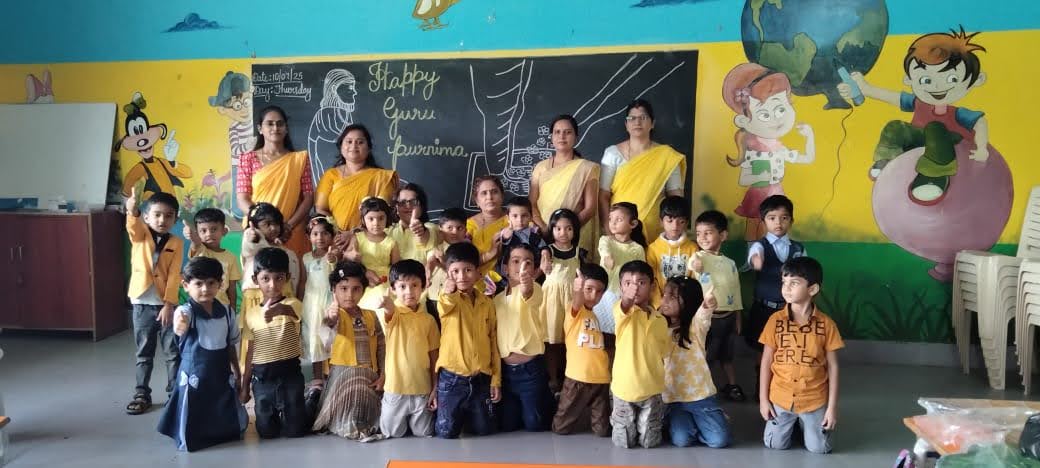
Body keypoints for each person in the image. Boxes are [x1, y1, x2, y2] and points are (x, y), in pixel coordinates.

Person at [837, 28, 989, 205]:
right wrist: (864, 89)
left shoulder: (958, 113)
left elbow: (980, 122)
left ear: (976, 80)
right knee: (895, 126)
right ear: (909, 80)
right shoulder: (918, 103)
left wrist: (982, 147)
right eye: (926, 80)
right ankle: (888, 161)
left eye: (952, 79)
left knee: (935, 128)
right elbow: (892, 97)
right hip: (921, 144)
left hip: (951, 147)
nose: (936, 86)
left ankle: (933, 176)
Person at [157, 257, 246, 451]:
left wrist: (236, 371)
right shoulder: (185, 311)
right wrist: (180, 324)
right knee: (194, 410)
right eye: (198, 284)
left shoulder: (227, 312)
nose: (205, 289)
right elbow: (180, 325)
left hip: (220, 373)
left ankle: (222, 433)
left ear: (220, 284)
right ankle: (191, 438)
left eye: (211, 283)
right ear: (186, 286)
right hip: (195, 374)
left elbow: (230, 345)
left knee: (221, 405)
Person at [722, 63, 815, 242]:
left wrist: (809, 137)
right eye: (764, 115)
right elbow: (744, 179)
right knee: (753, 227)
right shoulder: (752, 148)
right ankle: (752, 253)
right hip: (757, 195)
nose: (776, 119)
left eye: (781, 109)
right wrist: (762, 176)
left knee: (773, 229)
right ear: (744, 121)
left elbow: (807, 158)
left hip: (776, 195)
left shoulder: (779, 148)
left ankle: (771, 252)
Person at [759, 256, 843, 454]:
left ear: (812, 289)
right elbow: (766, 361)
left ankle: (805, 424)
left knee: (819, 449)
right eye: (784, 282)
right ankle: (794, 425)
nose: (786, 288)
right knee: (775, 444)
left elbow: (833, 367)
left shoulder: (827, 325)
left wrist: (831, 408)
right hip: (781, 397)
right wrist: (763, 400)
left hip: (813, 399)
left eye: (794, 283)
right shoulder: (775, 321)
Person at [124, 188, 184, 416]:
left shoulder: (176, 242)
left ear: (175, 219)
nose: (162, 220)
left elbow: (175, 274)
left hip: (166, 306)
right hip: (142, 304)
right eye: (157, 215)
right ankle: (141, 394)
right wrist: (132, 210)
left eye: (168, 216)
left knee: (172, 352)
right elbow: (133, 225)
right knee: (144, 353)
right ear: (147, 216)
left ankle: (174, 394)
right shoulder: (140, 235)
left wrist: (169, 304)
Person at [433, 243, 501, 438]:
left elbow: (493, 340)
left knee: (485, 430)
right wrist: (449, 291)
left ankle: (468, 414)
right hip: (452, 379)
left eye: (468, 270)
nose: (461, 276)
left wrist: (496, 379)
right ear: (448, 273)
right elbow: (445, 305)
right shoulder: (446, 298)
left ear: (478, 273)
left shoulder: (487, 303)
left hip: (481, 378)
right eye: (455, 271)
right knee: (446, 432)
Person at [312, 261, 386, 442]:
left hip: (370, 376)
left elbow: (381, 347)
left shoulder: (371, 315)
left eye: (356, 289)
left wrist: (384, 375)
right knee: (348, 417)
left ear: (363, 290)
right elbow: (327, 339)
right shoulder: (333, 315)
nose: (349, 295)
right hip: (343, 376)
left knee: (378, 419)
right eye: (343, 289)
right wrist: (331, 320)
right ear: (334, 290)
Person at [239, 248, 309, 439]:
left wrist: (279, 310)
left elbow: (293, 312)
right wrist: (245, 386)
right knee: (266, 432)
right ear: (255, 280)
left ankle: (307, 404)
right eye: (266, 278)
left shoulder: (293, 304)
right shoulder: (251, 314)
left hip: (290, 375)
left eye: (279, 278)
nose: (272, 284)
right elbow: (250, 351)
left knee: (296, 431)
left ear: (287, 278)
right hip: (263, 379)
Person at [659, 276, 731, 449]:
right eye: (664, 294)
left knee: (719, 440)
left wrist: (708, 304)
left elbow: (703, 314)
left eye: (673, 296)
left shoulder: (696, 328)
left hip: (700, 397)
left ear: (688, 301)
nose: (665, 300)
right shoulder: (658, 326)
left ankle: (712, 416)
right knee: (681, 440)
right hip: (673, 399)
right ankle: (697, 422)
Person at [599, 99, 685, 241]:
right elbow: (603, 196)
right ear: (626, 125)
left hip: (656, 233)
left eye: (643, 117)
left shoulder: (667, 156)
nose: (637, 122)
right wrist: (609, 231)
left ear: (652, 123)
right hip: (619, 231)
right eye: (632, 118)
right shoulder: (612, 154)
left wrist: (673, 233)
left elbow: (675, 197)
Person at [235, 105, 315, 259]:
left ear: (286, 128)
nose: (275, 128)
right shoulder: (247, 159)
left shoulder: (299, 159)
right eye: (270, 124)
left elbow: (308, 197)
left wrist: (287, 226)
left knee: (292, 270)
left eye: (280, 124)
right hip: (257, 231)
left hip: (291, 231)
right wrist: (262, 224)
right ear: (260, 129)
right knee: (260, 271)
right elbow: (242, 198)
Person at [746, 195, 806, 391]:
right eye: (772, 218)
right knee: (763, 348)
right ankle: (761, 386)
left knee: (789, 348)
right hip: (764, 308)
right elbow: (755, 259)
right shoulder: (759, 246)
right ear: (763, 222)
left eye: (784, 218)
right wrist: (756, 261)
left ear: (791, 220)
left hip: (790, 310)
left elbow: (806, 275)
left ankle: (784, 387)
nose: (778, 223)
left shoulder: (798, 248)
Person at [610, 260, 671, 449]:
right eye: (628, 283)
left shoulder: (660, 320)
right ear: (621, 287)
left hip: (652, 388)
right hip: (624, 388)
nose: (634, 288)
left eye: (641, 282)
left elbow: (663, 354)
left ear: (652, 287)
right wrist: (627, 298)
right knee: (624, 441)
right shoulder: (621, 312)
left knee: (650, 441)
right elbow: (624, 305)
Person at [377, 260, 441, 438]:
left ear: (423, 287)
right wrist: (386, 303)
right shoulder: (395, 314)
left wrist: (435, 387)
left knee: (424, 432)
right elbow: (390, 310)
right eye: (402, 286)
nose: (409, 291)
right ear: (393, 289)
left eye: (414, 285)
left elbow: (434, 356)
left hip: (422, 390)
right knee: (392, 433)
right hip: (396, 389)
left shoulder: (429, 320)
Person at [689, 210, 745, 401]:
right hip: (707, 319)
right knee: (707, 355)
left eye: (708, 233)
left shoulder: (730, 263)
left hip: (728, 318)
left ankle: (732, 385)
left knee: (727, 355)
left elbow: (736, 291)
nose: (702, 237)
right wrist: (696, 265)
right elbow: (694, 265)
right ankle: (704, 389)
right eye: (698, 233)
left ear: (723, 235)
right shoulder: (698, 257)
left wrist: (738, 317)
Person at [495, 243, 552, 432]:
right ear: (505, 268)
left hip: (530, 371)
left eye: (528, 263)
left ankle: (547, 400)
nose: (522, 267)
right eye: (516, 261)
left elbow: (526, 292)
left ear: (535, 270)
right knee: (507, 425)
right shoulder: (496, 300)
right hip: (506, 373)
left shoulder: (535, 288)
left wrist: (527, 284)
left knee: (534, 424)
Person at [239, 203, 302, 369]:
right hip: (255, 299)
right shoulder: (254, 243)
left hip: (283, 298)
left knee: (279, 339)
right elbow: (250, 246)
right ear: (254, 226)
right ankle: (249, 374)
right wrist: (252, 236)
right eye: (267, 224)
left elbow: (293, 277)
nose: (273, 228)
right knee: (254, 340)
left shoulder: (286, 251)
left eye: (276, 223)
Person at [551, 264, 611, 437]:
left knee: (602, 431)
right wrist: (578, 290)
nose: (593, 295)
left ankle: (583, 412)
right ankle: (562, 399)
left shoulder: (594, 316)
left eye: (599, 291)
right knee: (561, 428)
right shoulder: (575, 310)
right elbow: (577, 302)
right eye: (588, 289)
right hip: (577, 379)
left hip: (601, 379)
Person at [529, 114, 601, 255]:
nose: (562, 136)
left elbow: (590, 208)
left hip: (573, 236)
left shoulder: (587, 168)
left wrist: (566, 231)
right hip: (543, 235)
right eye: (557, 132)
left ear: (576, 137)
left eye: (568, 132)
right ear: (551, 137)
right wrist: (545, 229)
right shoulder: (540, 167)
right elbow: (532, 203)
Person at [315, 124, 398, 233]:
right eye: (349, 141)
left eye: (360, 142)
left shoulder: (382, 177)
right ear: (341, 147)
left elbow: (383, 214)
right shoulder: (330, 175)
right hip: (335, 238)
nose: (354, 145)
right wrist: (337, 233)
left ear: (368, 148)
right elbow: (321, 209)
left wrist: (353, 234)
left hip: (370, 238)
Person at [540, 208, 586, 394]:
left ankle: (569, 377)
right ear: (551, 229)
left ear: (575, 230)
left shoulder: (579, 252)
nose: (563, 233)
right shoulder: (548, 251)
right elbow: (544, 262)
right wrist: (544, 260)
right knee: (551, 342)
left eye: (568, 228)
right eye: (558, 228)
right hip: (551, 302)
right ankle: (552, 378)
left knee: (570, 341)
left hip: (571, 301)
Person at [299, 216, 339, 383]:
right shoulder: (305, 258)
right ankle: (317, 381)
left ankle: (333, 379)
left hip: (328, 303)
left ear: (332, 236)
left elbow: (336, 273)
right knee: (314, 340)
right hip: (310, 305)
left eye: (324, 233)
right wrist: (299, 304)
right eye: (315, 234)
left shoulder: (335, 255)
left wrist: (332, 259)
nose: (320, 238)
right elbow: (303, 282)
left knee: (330, 338)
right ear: (309, 237)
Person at [344, 197, 401, 310]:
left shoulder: (391, 242)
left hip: (384, 282)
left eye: (381, 218)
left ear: (387, 218)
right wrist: (350, 256)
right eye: (371, 219)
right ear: (363, 219)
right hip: (362, 280)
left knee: (383, 301)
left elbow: (396, 269)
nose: (376, 223)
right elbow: (346, 259)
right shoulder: (357, 238)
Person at [183, 208, 241, 311]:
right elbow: (196, 243)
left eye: (214, 229)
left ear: (224, 231)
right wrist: (192, 236)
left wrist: (232, 310)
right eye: (203, 231)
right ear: (197, 233)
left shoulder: (231, 258)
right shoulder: (200, 251)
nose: (208, 234)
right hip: (199, 307)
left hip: (222, 307)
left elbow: (232, 288)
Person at [645, 195, 698, 307]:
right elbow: (651, 281)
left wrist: (686, 303)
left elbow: (694, 279)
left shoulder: (693, 248)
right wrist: (659, 305)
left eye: (681, 221)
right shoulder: (653, 249)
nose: (675, 226)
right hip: (660, 305)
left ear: (687, 223)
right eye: (670, 221)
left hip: (685, 305)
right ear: (661, 221)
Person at [425, 207, 470, 326]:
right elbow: (431, 261)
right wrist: (428, 272)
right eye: (449, 228)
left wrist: (443, 264)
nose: (454, 232)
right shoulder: (437, 248)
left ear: (465, 230)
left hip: (456, 298)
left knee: (452, 327)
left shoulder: (467, 251)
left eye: (459, 228)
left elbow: (461, 272)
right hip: (434, 297)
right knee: (435, 329)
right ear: (440, 229)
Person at [467, 175, 508, 293]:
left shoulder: (515, 219)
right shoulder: (469, 226)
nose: (489, 197)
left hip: (511, 284)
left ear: (502, 196)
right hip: (477, 286)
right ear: (477, 201)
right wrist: (490, 254)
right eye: (484, 193)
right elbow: (464, 262)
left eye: (494, 192)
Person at [597, 202, 648, 297]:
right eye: (610, 219)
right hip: (605, 293)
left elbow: (641, 272)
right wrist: (607, 257)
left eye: (619, 219)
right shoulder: (605, 240)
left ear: (633, 224)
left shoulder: (637, 248)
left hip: (627, 294)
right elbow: (605, 251)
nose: (613, 223)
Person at [496, 197, 551, 278]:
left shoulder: (534, 237)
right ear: (508, 218)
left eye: (524, 216)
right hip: (508, 277)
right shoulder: (506, 234)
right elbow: (502, 242)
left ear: (531, 217)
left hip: (530, 275)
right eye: (515, 216)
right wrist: (505, 237)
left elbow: (544, 247)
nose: (520, 220)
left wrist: (545, 253)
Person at [388, 183, 438, 264]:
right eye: (402, 202)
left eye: (413, 202)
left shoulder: (432, 228)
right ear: (396, 208)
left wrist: (420, 232)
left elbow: (425, 238)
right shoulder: (388, 231)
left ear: (422, 207)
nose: (408, 206)